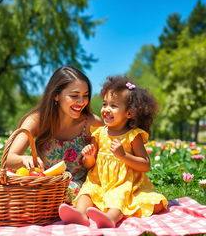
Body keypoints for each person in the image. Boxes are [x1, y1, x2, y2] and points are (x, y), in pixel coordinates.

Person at [58, 75, 168, 228]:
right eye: (105, 104)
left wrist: (123, 155)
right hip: (99, 181)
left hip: (124, 183)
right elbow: (89, 165)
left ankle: (110, 217)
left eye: (113, 106)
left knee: (119, 196)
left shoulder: (133, 136)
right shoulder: (99, 133)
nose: (106, 110)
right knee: (87, 192)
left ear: (129, 113)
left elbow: (145, 165)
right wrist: (88, 157)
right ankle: (81, 213)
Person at [6, 66, 103, 201]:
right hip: (44, 187)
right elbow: (7, 160)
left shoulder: (93, 123)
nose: (82, 102)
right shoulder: (37, 120)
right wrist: (23, 159)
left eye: (85, 95)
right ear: (56, 95)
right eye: (74, 96)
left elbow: (104, 162)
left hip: (82, 192)